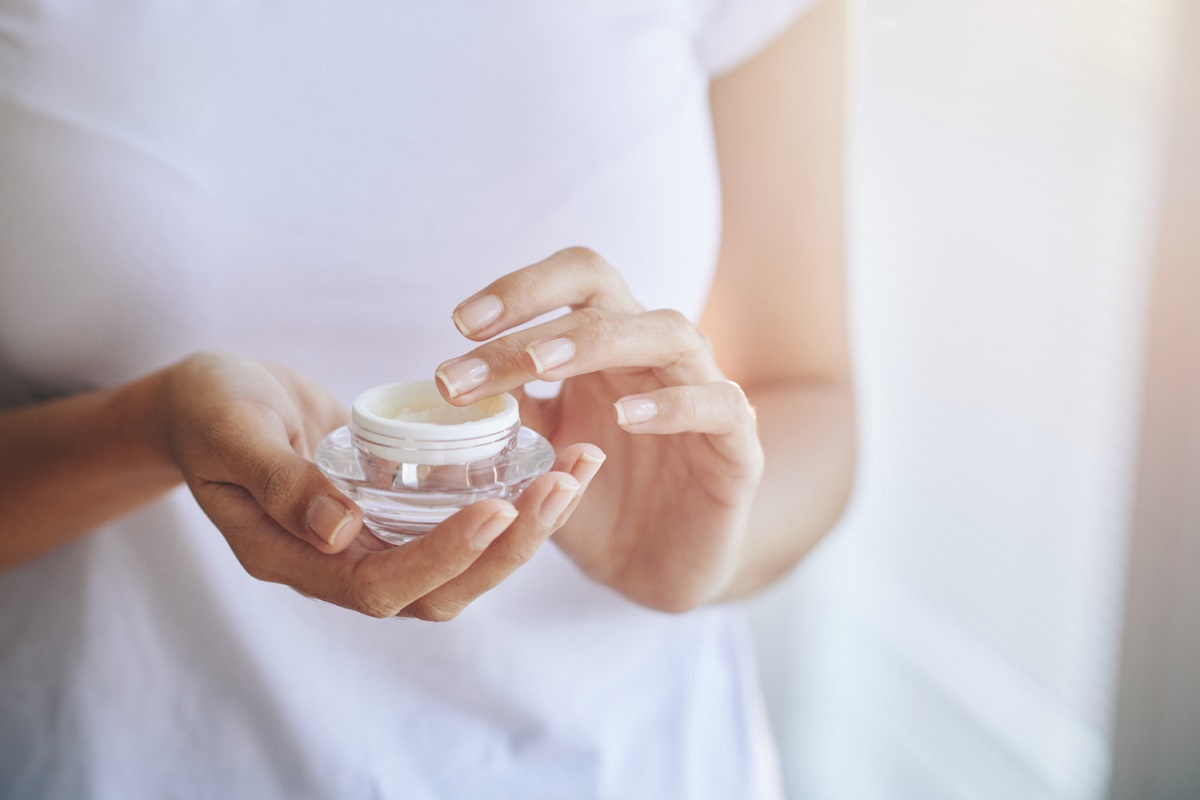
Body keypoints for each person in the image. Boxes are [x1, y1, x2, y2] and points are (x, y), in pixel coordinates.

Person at [0, 0, 853, 797]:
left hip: (627, 760)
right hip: (125, 757)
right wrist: (145, 431)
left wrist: (706, 541)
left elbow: (810, 395)